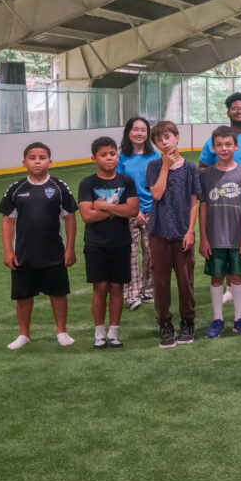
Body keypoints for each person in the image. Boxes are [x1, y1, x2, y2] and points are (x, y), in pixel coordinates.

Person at [0, 142, 78, 350]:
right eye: (32, 158)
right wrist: (8, 250)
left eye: (42, 157)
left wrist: (70, 248)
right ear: (24, 162)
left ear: (50, 162)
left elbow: (70, 218)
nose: (37, 161)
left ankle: (62, 331)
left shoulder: (60, 187)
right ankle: (24, 334)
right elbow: (8, 221)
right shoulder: (16, 189)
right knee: (23, 295)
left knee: (58, 293)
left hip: (54, 253)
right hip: (24, 254)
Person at [78, 136, 139, 349]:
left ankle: (113, 332)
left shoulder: (126, 181)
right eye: (103, 155)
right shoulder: (88, 183)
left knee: (116, 287)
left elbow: (132, 210)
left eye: (112, 154)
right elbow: (87, 216)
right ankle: (99, 332)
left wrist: (105, 207)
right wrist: (117, 210)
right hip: (96, 244)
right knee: (100, 287)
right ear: (94, 158)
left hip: (121, 242)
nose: (109, 158)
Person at [146, 120, 201, 348]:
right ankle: (164, 323)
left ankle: (187, 320)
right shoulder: (154, 167)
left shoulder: (190, 168)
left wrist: (190, 231)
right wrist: (166, 167)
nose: (164, 142)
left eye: (167, 137)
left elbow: (194, 202)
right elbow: (156, 195)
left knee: (185, 281)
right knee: (160, 282)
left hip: (182, 233)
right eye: (158, 140)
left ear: (177, 137)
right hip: (158, 232)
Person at [198, 126, 241, 338]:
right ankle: (217, 320)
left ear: (236, 146)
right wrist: (203, 237)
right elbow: (202, 206)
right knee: (216, 278)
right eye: (219, 145)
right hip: (214, 238)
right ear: (213, 148)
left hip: (238, 237)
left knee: (237, 277)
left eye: (228, 144)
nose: (224, 148)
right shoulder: (206, 175)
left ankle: (239, 319)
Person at [117, 116, 157, 310]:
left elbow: (159, 185)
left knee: (151, 252)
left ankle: (147, 290)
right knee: (130, 254)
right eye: (135, 129)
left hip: (153, 212)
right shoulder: (121, 157)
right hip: (130, 212)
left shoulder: (155, 156)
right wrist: (135, 211)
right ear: (128, 132)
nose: (139, 133)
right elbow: (118, 185)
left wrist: (148, 209)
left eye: (143, 129)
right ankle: (132, 293)